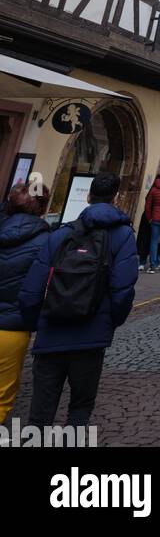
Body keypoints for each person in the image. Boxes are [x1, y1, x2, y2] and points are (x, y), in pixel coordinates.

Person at [19, 171, 138, 427]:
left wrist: (36, 323)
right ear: (116, 198)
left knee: (39, 414)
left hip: (51, 332)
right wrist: (109, 323)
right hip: (90, 337)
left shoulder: (62, 234)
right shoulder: (124, 236)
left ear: (88, 197)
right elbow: (123, 290)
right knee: (79, 410)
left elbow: (31, 290)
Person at [0, 177, 51, 423]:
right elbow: (40, 289)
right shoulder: (46, 242)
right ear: (43, 208)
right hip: (11, 328)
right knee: (1, 397)